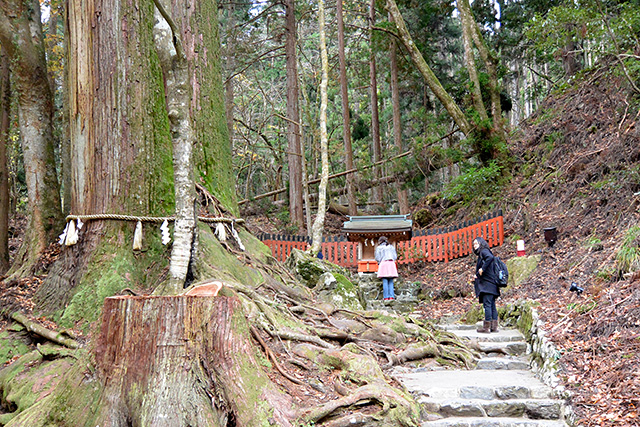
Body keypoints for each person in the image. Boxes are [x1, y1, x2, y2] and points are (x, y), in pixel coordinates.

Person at [472, 237, 500, 333]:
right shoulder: (484, 252)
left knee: (487, 304)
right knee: (492, 304)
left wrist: (482, 269)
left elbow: (490, 258)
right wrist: (477, 275)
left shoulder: (484, 251)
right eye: (474, 244)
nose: (474, 246)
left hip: (488, 284)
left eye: (476, 244)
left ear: (481, 243)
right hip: (492, 283)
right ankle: (494, 327)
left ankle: (486, 327)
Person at [375, 236, 398, 301]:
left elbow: (377, 257)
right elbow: (395, 256)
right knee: (391, 280)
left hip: (383, 263)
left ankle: (386, 297)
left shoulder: (379, 248)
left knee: (385, 281)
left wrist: (379, 262)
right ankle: (391, 296)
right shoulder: (391, 247)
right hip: (391, 263)